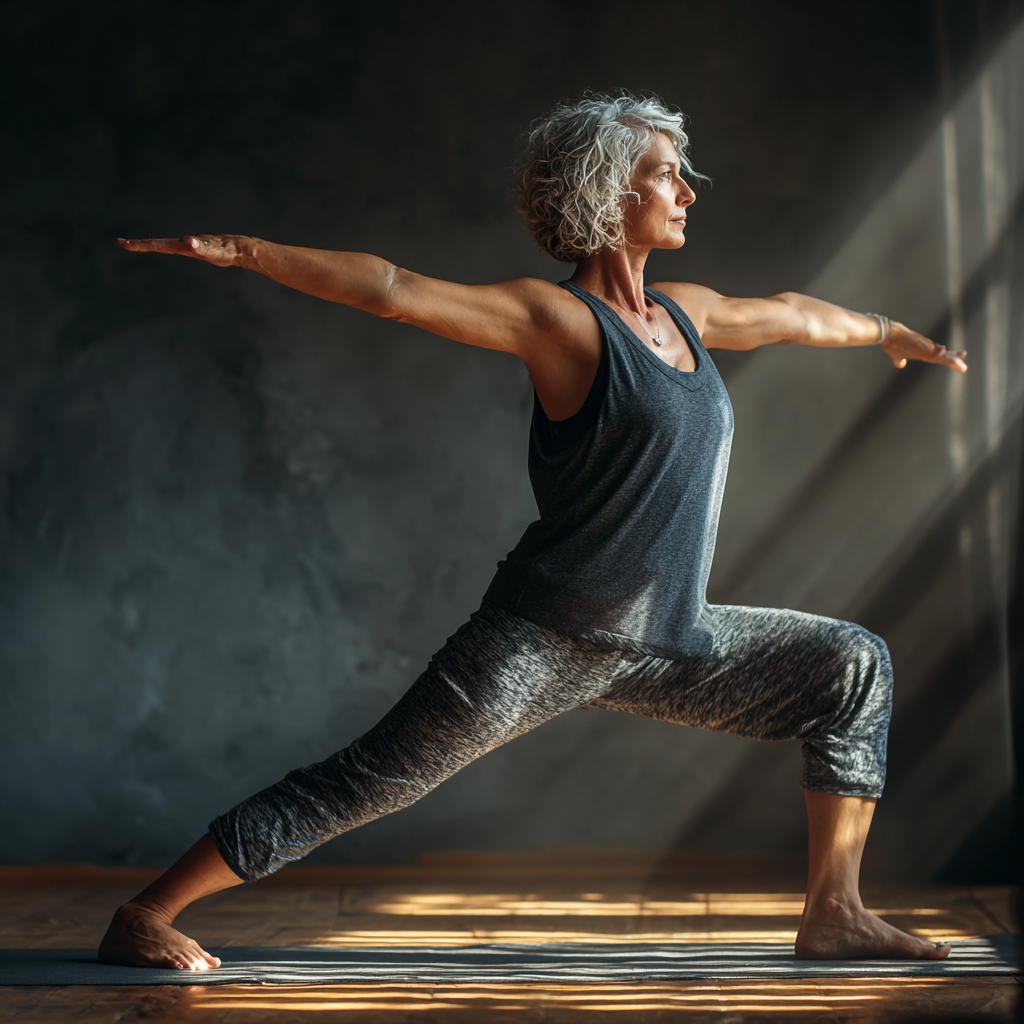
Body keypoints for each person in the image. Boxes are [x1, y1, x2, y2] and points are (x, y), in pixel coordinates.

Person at [99, 92, 966, 971]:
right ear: (606, 191)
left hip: (669, 639)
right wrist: (246, 252)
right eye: (666, 174)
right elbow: (395, 290)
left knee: (849, 666)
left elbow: (787, 313)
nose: (689, 192)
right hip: (542, 637)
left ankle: (836, 913)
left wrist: (885, 331)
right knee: (366, 784)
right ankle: (148, 911)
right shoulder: (561, 323)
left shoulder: (686, 317)